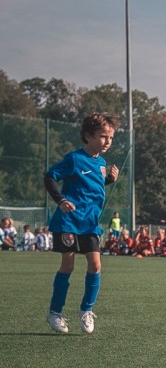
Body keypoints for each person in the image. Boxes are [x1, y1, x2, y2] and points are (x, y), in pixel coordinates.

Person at [43, 112, 120, 334]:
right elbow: (50, 177)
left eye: (111, 137)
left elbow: (90, 186)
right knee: (68, 265)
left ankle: (86, 311)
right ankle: (55, 313)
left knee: (95, 266)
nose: (107, 142)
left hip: (89, 224)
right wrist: (62, 200)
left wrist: (109, 180)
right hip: (68, 221)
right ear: (87, 136)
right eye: (103, 136)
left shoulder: (102, 163)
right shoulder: (74, 159)